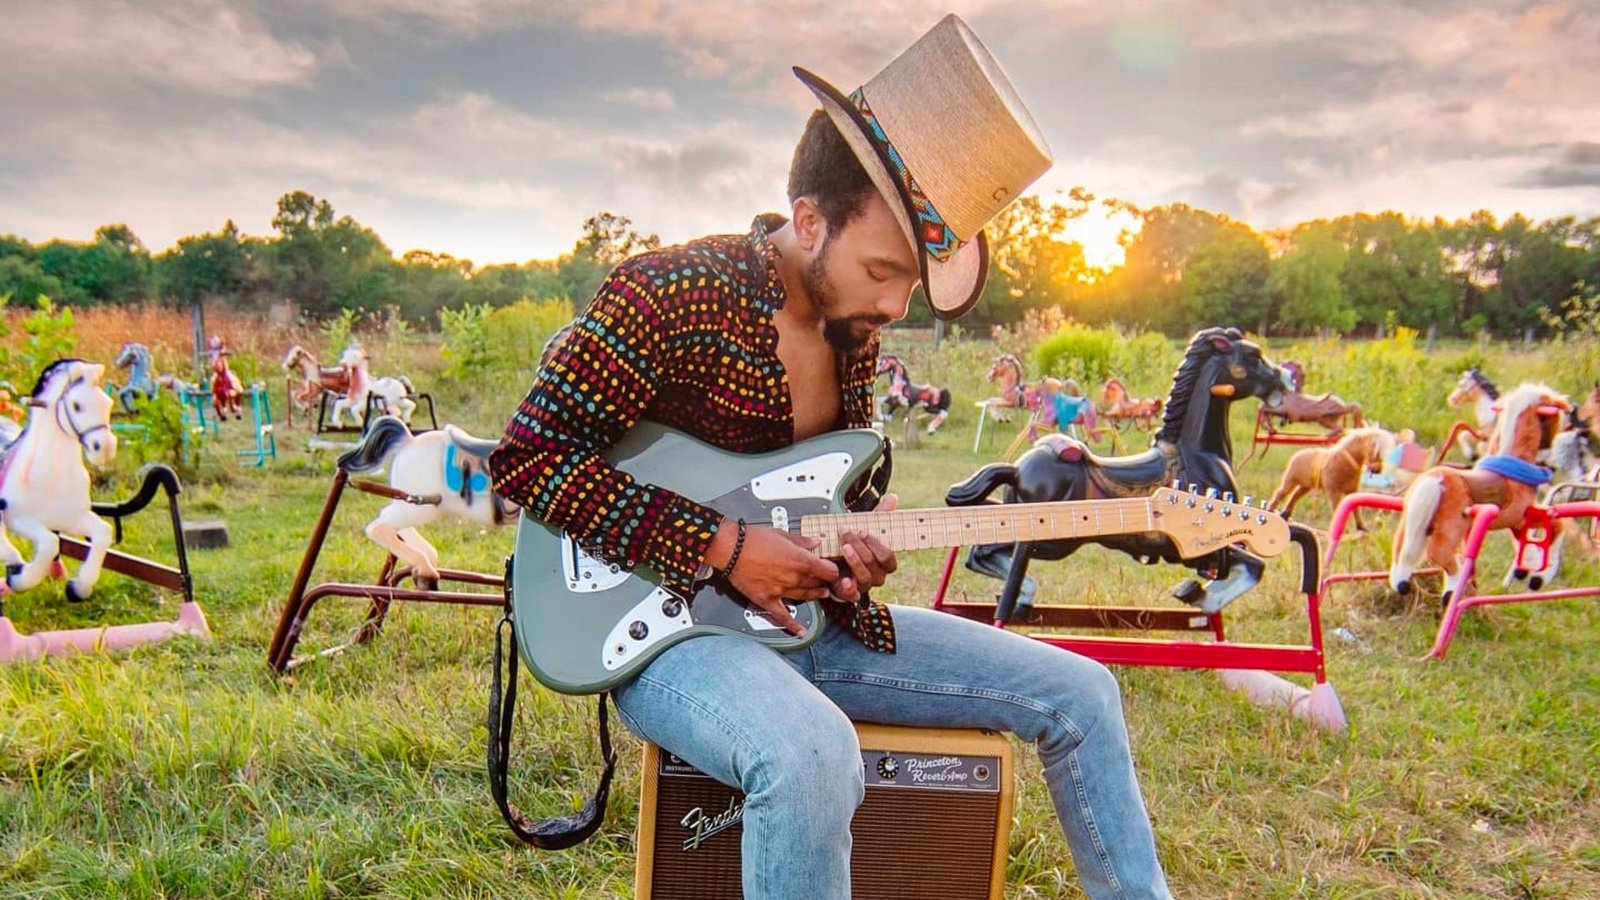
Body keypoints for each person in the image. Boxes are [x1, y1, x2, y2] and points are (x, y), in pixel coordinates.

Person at [491, 15, 1171, 899]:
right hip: (665, 634)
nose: (896, 303)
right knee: (812, 755)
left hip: (810, 631)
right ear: (809, 220)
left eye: (910, 284)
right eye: (883, 270)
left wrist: (850, 550)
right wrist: (723, 548)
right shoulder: (668, 292)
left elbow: (815, 511)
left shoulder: (854, 336)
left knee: (1083, 695)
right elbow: (528, 459)